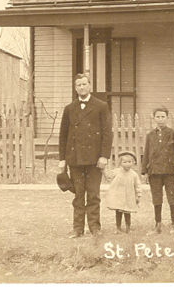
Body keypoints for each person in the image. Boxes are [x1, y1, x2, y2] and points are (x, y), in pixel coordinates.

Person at [58, 73, 113, 238]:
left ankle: (95, 228)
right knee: (78, 194)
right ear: (75, 88)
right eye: (78, 85)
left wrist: (104, 156)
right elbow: (63, 135)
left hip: (94, 159)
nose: (82, 87)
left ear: (90, 86)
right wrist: (62, 159)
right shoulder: (69, 108)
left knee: (93, 194)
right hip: (75, 159)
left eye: (84, 84)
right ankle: (77, 229)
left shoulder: (101, 106)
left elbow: (107, 134)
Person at [142, 107, 174, 234]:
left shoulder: (173, 133)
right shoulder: (150, 135)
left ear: (167, 118)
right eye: (158, 117)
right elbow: (146, 152)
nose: (160, 119)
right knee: (156, 198)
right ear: (154, 118)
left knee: (172, 197)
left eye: (163, 116)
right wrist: (145, 172)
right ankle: (158, 224)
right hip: (154, 171)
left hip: (170, 171)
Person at [104, 152, 142, 233]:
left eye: (129, 162)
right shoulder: (117, 172)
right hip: (119, 196)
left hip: (129, 196)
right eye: (124, 162)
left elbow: (137, 185)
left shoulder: (134, 174)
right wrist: (105, 170)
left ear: (133, 162)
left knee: (127, 212)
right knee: (118, 212)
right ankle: (118, 228)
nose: (127, 164)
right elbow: (109, 175)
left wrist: (138, 195)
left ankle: (128, 228)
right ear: (120, 163)